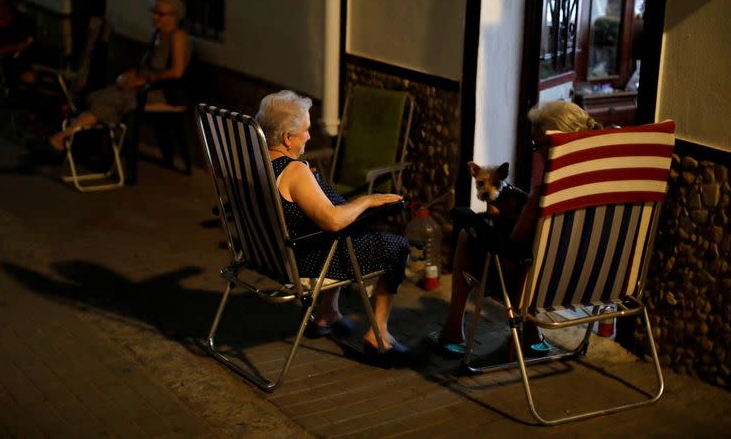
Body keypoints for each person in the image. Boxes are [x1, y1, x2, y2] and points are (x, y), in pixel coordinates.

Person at [430, 101, 603, 357]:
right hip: (591, 280)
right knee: (532, 257)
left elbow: (514, 241)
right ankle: (531, 333)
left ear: (555, 143)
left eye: (537, 145)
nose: (535, 152)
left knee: (469, 236)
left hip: (530, 283)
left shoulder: (543, 195)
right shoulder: (605, 187)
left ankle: (454, 330)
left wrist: (483, 221)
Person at [256, 90, 410, 359]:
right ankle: (379, 334)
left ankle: (328, 313)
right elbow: (334, 221)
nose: (309, 136)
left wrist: (311, 185)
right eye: (305, 130)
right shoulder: (294, 172)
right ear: (286, 138)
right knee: (396, 246)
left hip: (268, 254)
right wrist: (368, 200)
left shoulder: (254, 161)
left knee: (328, 200)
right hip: (302, 261)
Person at [48, 0, 191, 152]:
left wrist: (145, 80)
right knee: (98, 95)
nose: (154, 16)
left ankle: (64, 136)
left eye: (160, 13)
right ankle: (83, 142)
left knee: (111, 101)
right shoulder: (158, 35)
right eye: (153, 11)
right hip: (144, 86)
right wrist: (130, 75)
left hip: (162, 92)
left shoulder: (177, 37)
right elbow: (146, 64)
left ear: (173, 16)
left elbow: (176, 72)